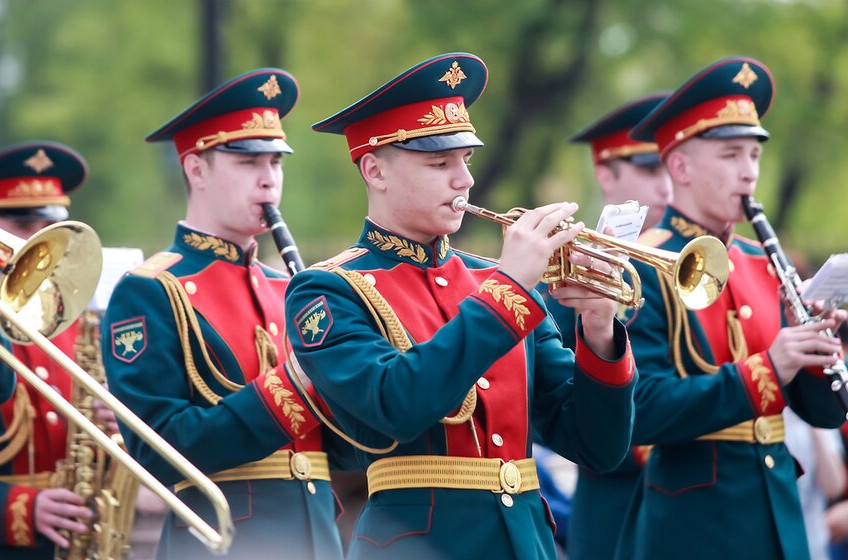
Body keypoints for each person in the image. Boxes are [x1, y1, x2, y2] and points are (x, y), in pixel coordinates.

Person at [284, 52, 637, 560]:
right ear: (374, 170)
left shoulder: (496, 281)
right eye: (439, 162)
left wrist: (600, 329)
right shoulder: (327, 289)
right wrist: (509, 288)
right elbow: (396, 405)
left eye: (465, 160)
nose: (464, 180)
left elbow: (597, 448)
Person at [102, 69, 343, 559]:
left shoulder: (291, 287)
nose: (269, 179)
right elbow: (158, 451)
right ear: (196, 169)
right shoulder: (150, 291)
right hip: (222, 544)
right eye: (248, 160)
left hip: (318, 538)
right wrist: (290, 389)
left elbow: (343, 446)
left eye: (276, 161)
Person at [615, 56, 847, 560]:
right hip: (693, 528)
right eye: (731, 156)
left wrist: (817, 354)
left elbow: (826, 413)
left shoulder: (761, 261)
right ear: (680, 166)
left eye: (754, 156)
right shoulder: (644, 264)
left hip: (778, 517)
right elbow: (639, 410)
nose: (749, 172)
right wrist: (769, 369)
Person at [544, 93, 670, 560]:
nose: (666, 186)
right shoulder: (558, 276)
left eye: (670, 169)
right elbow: (551, 401)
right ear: (605, 174)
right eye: (650, 169)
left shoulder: (688, 260)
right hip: (612, 504)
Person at [0, 141, 96, 558]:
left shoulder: (69, 321)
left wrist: (104, 430)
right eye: (20, 223)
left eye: (47, 224)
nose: (37, 242)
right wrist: (16, 509)